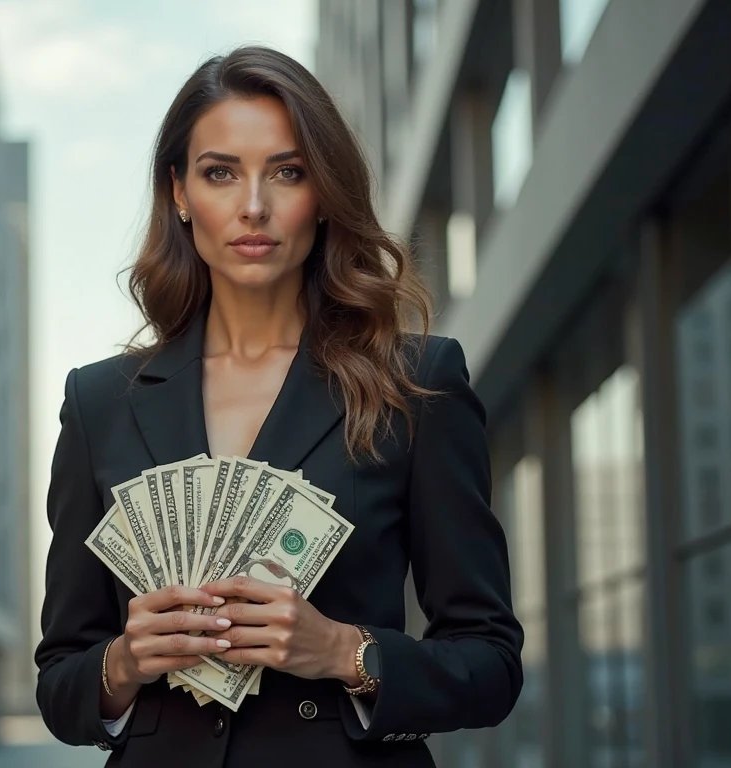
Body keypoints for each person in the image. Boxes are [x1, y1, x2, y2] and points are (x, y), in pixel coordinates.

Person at [35, 45, 524, 768]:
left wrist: (345, 652)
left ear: (322, 193)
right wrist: (125, 661)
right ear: (179, 193)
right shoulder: (100, 401)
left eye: (288, 172)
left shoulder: (415, 381)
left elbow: (491, 664)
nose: (254, 205)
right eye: (220, 173)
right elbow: (59, 684)